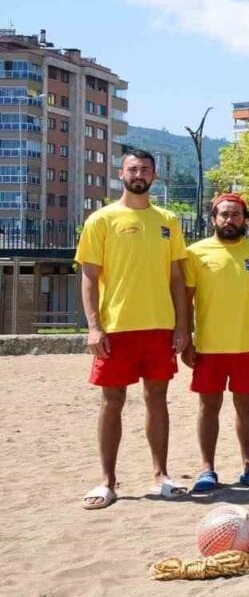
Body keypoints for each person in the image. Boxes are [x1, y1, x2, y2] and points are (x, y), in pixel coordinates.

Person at [75, 148, 191, 510]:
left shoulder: (168, 220)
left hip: (159, 327)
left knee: (157, 400)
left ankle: (161, 475)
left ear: (154, 176)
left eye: (145, 169)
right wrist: (94, 328)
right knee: (112, 402)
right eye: (132, 168)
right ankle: (108, 480)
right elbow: (90, 278)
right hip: (116, 328)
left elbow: (177, 278)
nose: (138, 173)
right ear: (120, 174)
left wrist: (182, 326)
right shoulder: (102, 219)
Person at [183, 193, 249, 492]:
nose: (229, 220)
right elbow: (185, 301)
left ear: (246, 219)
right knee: (208, 406)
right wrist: (187, 338)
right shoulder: (195, 253)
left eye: (236, 214)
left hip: (248, 345)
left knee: (247, 406)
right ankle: (207, 470)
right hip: (208, 347)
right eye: (224, 214)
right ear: (213, 218)